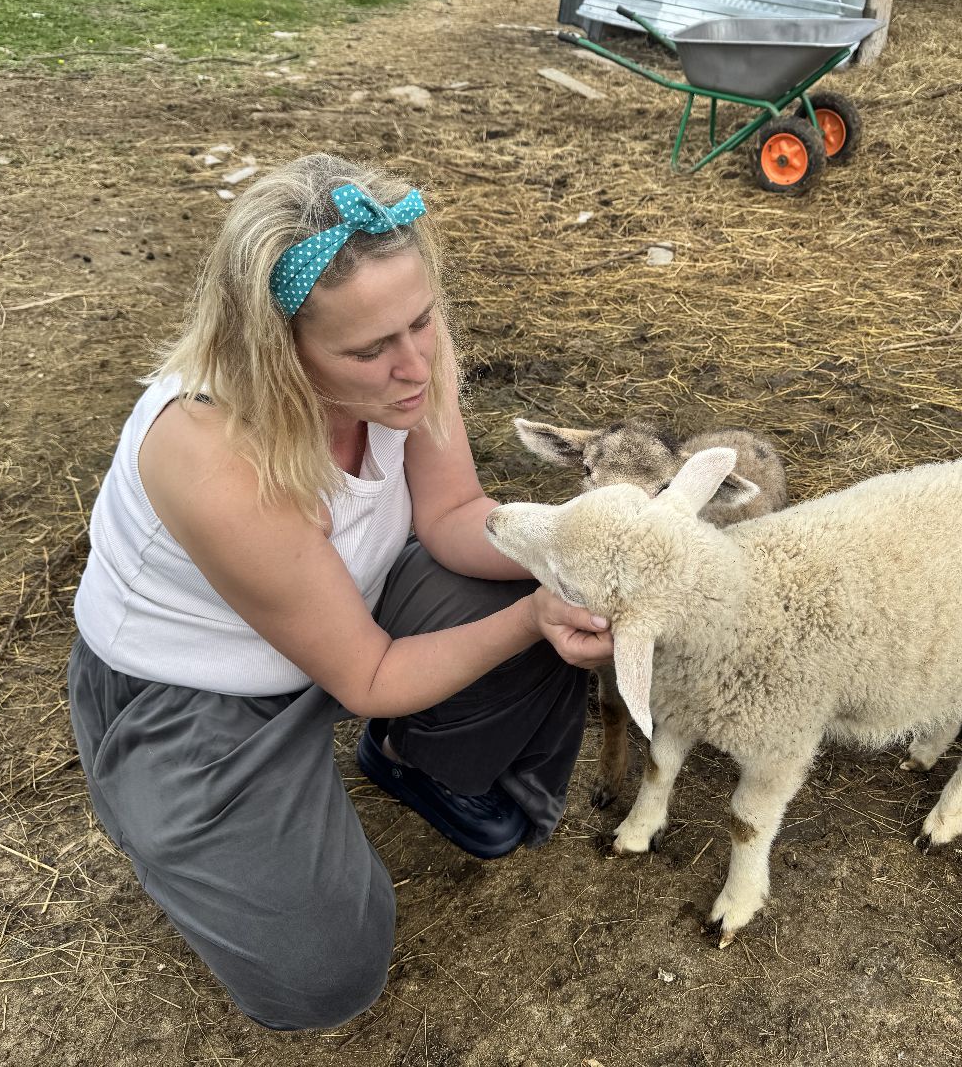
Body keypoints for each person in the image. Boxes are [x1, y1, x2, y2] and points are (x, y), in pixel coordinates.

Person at [67, 152, 614, 1031]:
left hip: (349, 609)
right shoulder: (212, 456)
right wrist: (535, 613)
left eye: (423, 322)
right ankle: (164, 815)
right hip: (192, 692)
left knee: (564, 582)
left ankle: (426, 771)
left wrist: (594, 544)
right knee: (327, 978)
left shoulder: (407, 358)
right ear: (276, 350)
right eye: (368, 350)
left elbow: (453, 516)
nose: (414, 366)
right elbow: (369, 677)